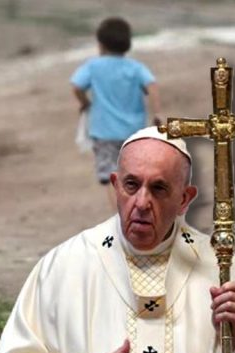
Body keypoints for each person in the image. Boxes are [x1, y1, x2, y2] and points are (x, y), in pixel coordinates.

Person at [0, 127, 235, 353]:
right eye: (131, 185)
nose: (141, 202)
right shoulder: (63, 267)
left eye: (158, 188)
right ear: (115, 185)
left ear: (185, 199)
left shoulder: (225, 272)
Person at [71, 17, 163, 210]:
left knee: (111, 178)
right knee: (134, 176)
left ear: (100, 45)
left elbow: (77, 85)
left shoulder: (93, 66)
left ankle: (122, 218)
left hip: (104, 134)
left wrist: (85, 102)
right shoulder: (135, 67)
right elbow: (152, 85)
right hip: (133, 132)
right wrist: (157, 113)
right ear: (127, 44)